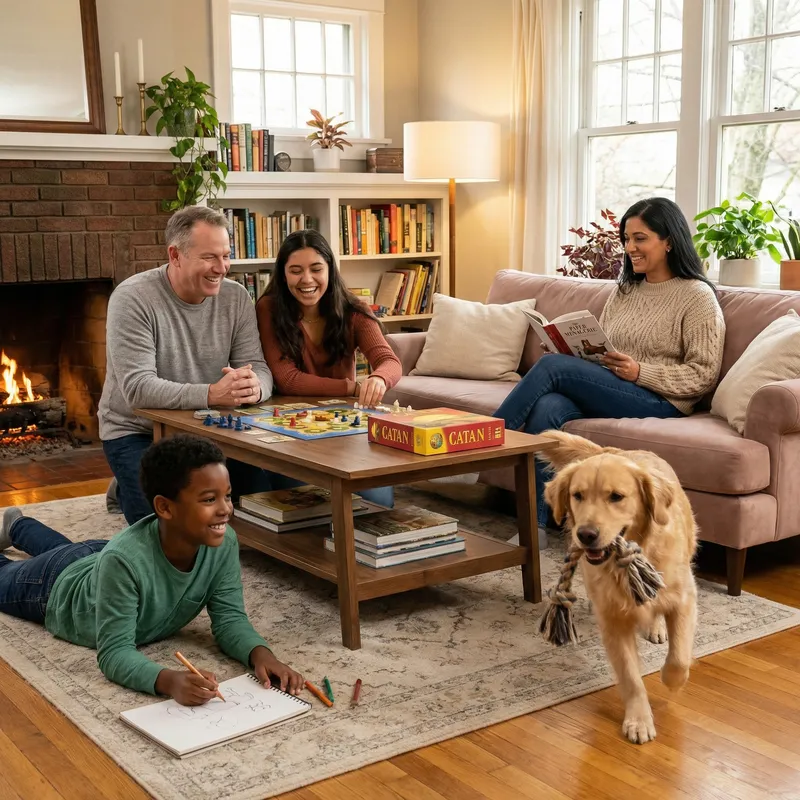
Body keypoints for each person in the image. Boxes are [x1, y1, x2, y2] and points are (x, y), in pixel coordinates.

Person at [0, 434, 303, 705]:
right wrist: (169, 681)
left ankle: (18, 526)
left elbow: (229, 620)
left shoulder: (223, 543)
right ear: (165, 508)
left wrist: (262, 655)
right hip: (54, 586)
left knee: (67, 550)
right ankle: (17, 529)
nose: (225, 508)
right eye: (210, 499)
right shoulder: (124, 560)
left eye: (226, 495)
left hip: (97, 557)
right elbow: (114, 653)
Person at [494, 197, 726, 544]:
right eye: (627, 239)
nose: (630, 247)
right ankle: (537, 526)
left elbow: (703, 374)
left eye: (640, 238)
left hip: (662, 400)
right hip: (617, 388)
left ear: (669, 241)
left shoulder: (696, 296)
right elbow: (604, 349)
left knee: (551, 368)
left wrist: (640, 372)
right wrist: (569, 349)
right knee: (548, 407)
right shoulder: (625, 290)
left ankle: (481, 444)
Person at [99, 206, 274, 525]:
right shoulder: (133, 298)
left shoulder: (236, 298)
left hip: (207, 430)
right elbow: (138, 390)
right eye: (210, 257)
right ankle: (128, 485)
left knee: (259, 509)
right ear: (175, 255)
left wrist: (255, 386)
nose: (221, 268)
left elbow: (259, 368)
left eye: (226, 256)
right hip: (139, 433)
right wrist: (212, 394)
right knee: (166, 529)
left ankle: (132, 485)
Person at [255, 229, 402, 507]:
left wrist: (380, 379)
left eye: (316, 269)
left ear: (330, 271)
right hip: (290, 429)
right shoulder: (269, 308)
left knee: (377, 505)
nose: (306, 279)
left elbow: (389, 361)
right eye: (295, 270)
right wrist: (353, 387)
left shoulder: (352, 309)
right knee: (313, 507)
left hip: (344, 426)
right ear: (283, 274)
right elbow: (288, 380)